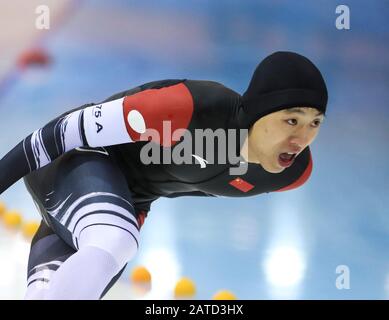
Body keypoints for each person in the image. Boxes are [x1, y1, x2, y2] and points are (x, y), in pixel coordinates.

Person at [0, 51, 328, 299]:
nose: (301, 139)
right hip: (75, 158)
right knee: (115, 238)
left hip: (123, 200)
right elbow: (58, 133)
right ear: (260, 112)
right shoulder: (189, 108)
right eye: (291, 120)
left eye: (315, 123)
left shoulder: (292, 174)